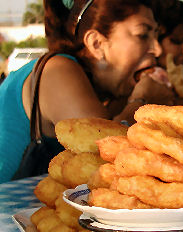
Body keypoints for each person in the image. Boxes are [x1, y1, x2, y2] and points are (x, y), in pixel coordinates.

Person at [0, 0, 163, 183]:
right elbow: (103, 150)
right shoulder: (58, 70)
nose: (158, 49)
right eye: (142, 35)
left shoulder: (104, 88)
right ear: (96, 43)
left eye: (156, 36)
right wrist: (142, 101)